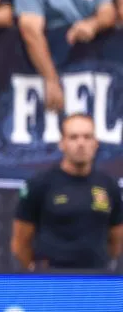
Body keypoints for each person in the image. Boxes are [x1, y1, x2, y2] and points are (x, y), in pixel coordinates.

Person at [11, 114, 123, 270]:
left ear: (96, 143)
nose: (81, 143)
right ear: (62, 143)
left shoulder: (109, 186)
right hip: (51, 281)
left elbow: (116, 241)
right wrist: (36, 274)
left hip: (95, 281)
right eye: (73, 137)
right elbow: (20, 242)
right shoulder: (40, 183)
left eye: (87, 137)